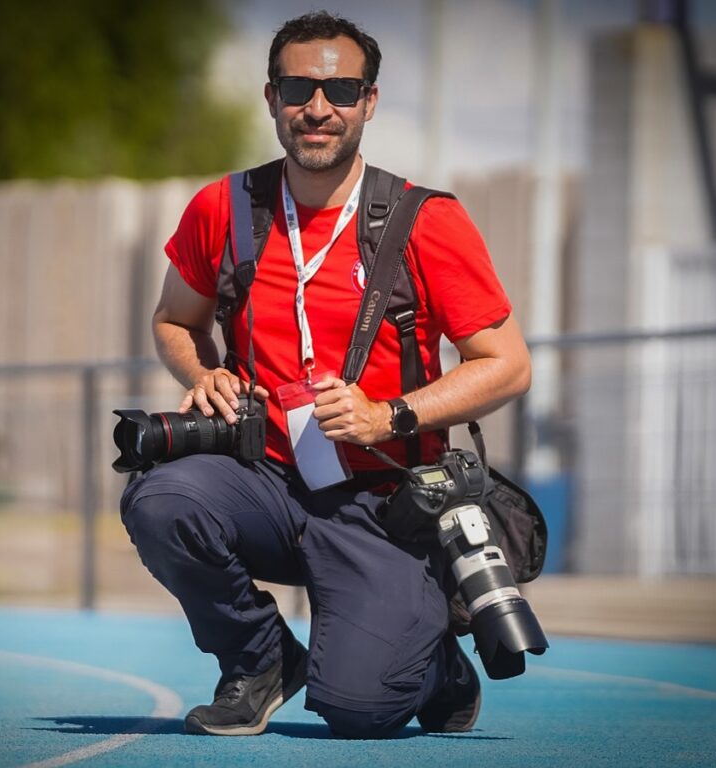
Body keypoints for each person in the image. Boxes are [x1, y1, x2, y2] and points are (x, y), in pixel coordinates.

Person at [120, 10, 531, 739]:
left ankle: (437, 662)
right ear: (272, 97)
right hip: (268, 483)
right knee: (160, 497)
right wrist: (204, 371)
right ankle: (261, 658)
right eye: (298, 87)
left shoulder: (425, 220)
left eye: (341, 89)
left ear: (369, 102)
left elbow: (507, 366)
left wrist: (389, 416)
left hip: (383, 502)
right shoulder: (224, 207)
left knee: (361, 710)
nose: (318, 108)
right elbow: (172, 322)